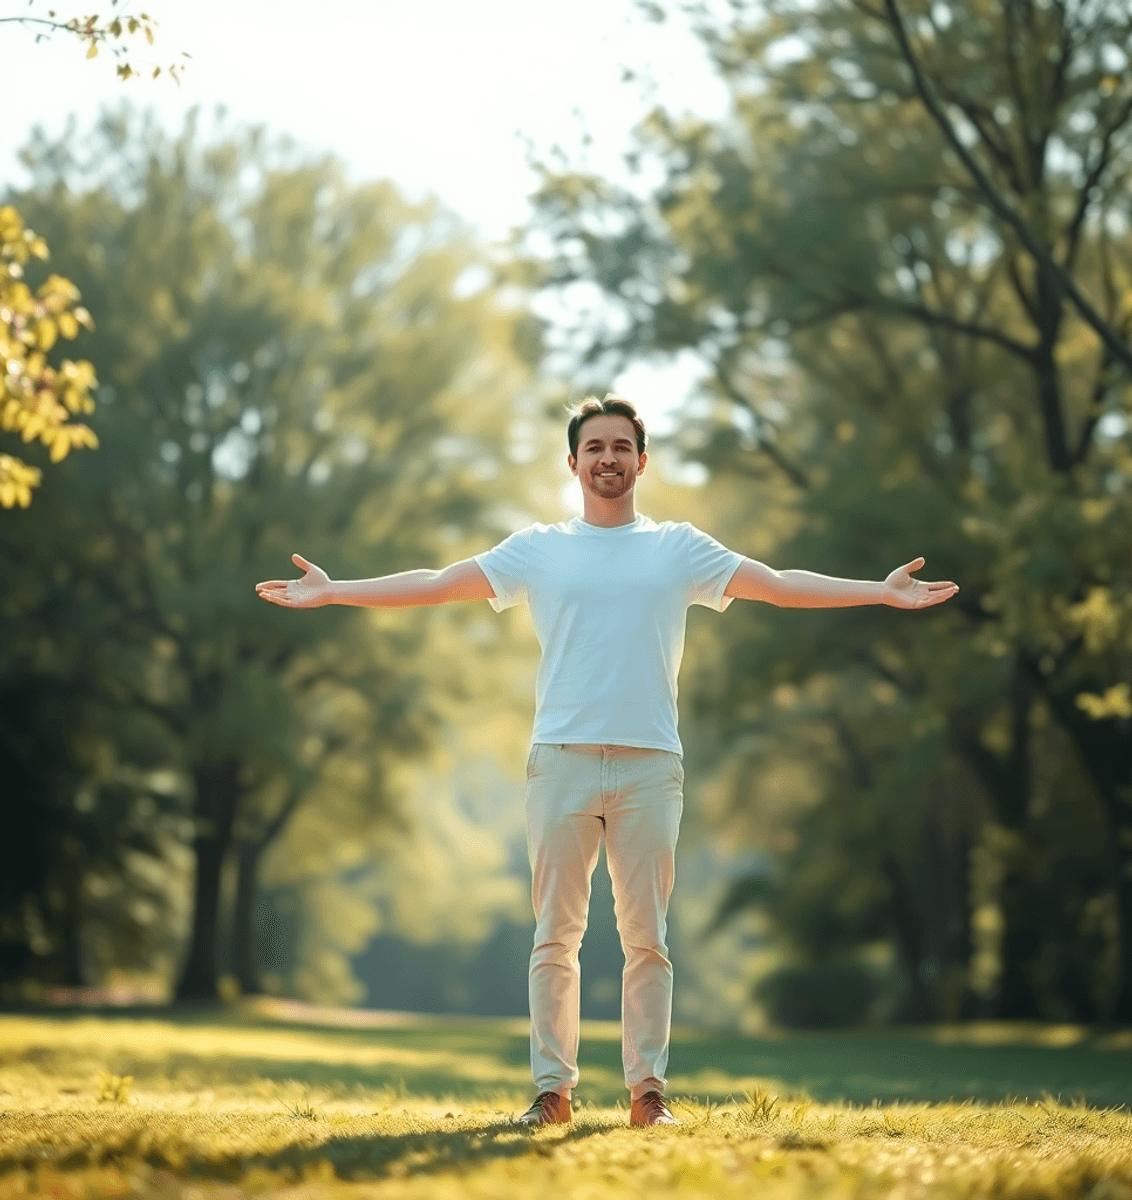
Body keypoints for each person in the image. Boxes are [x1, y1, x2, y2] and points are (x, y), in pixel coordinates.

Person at [255, 394, 959, 1128]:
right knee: (554, 936)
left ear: (641, 461)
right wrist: (334, 593)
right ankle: (550, 1092)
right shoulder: (539, 548)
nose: (608, 458)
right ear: (573, 462)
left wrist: (880, 593)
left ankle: (647, 1095)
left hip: (651, 765)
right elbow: (437, 583)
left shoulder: (678, 548)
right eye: (594, 447)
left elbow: (778, 587)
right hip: (558, 760)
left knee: (645, 938)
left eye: (621, 446)